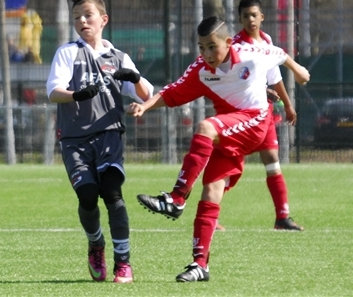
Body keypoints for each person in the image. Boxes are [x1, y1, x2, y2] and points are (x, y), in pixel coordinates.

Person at [130, 16, 309, 282]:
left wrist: (298, 69)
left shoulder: (252, 54)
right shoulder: (201, 69)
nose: (206, 53)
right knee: (211, 190)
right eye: (201, 47)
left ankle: (177, 198)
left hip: (255, 121)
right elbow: (172, 92)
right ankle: (199, 265)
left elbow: (280, 54)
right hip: (228, 132)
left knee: (205, 127)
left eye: (212, 46)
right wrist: (145, 106)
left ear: (228, 42)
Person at [45, 0, 153, 284]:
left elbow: (146, 94)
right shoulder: (68, 53)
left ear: (103, 19)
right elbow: (53, 91)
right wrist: (77, 94)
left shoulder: (118, 57)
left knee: (113, 194)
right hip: (75, 139)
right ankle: (96, 243)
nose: (82, 21)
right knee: (88, 196)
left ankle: (123, 263)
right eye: (77, 17)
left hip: (109, 136)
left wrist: (134, 79)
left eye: (88, 15)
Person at [216, 0, 303, 231]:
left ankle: (282, 217)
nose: (250, 19)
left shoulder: (267, 41)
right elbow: (233, 81)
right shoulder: (234, 46)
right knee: (231, 165)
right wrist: (262, 90)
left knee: (273, 160)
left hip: (264, 115)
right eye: (246, 16)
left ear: (262, 17)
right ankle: (210, 214)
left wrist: (287, 104)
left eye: (254, 15)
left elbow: (274, 76)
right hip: (242, 115)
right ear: (240, 19)